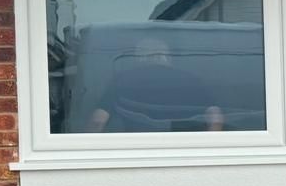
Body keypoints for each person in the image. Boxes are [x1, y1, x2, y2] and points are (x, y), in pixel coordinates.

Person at [85, 36, 224, 133]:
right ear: (168, 56)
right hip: (183, 151)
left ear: (139, 57)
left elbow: (98, 121)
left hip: (138, 149)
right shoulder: (191, 79)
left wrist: (87, 152)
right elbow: (215, 118)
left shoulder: (122, 80)